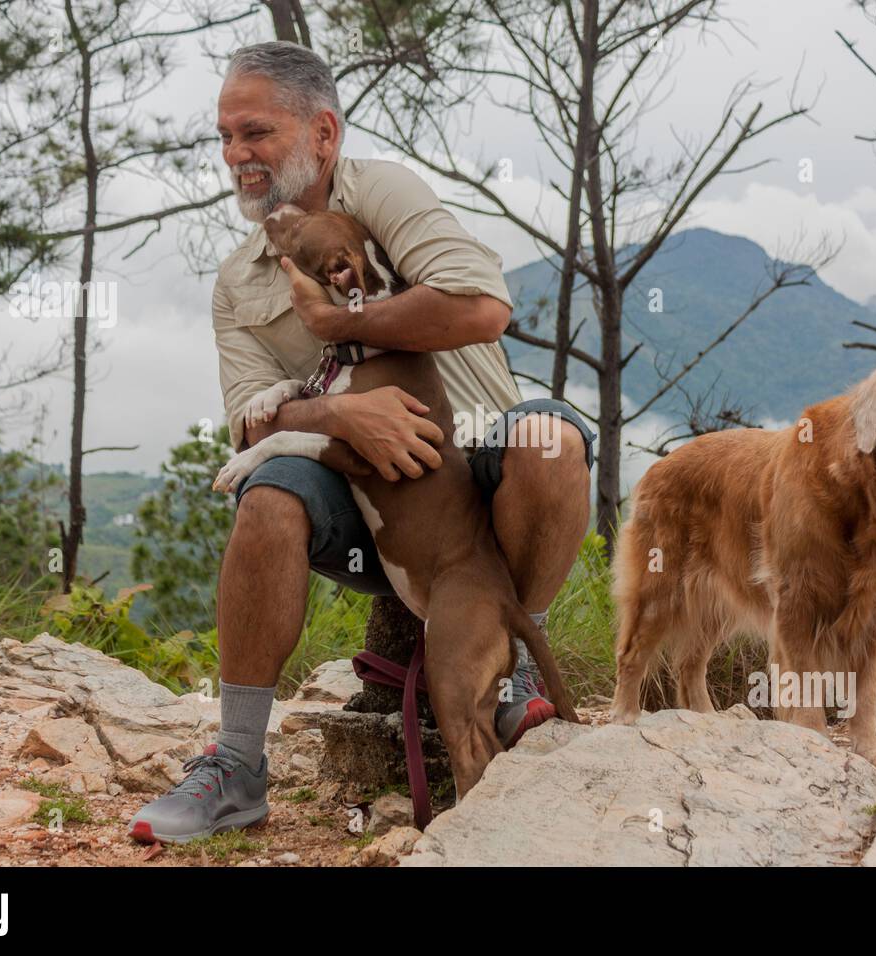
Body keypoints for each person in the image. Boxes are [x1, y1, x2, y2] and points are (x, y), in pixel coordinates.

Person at [128, 41, 594, 844]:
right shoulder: (240, 282)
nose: (237, 155)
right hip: (364, 501)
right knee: (266, 496)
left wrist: (346, 324)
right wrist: (344, 417)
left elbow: (482, 308)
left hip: (478, 460)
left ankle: (508, 666)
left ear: (323, 133)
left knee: (551, 442)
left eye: (257, 132)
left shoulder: (379, 192)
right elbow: (250, 421)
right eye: (225, 136)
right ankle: (237, 764)